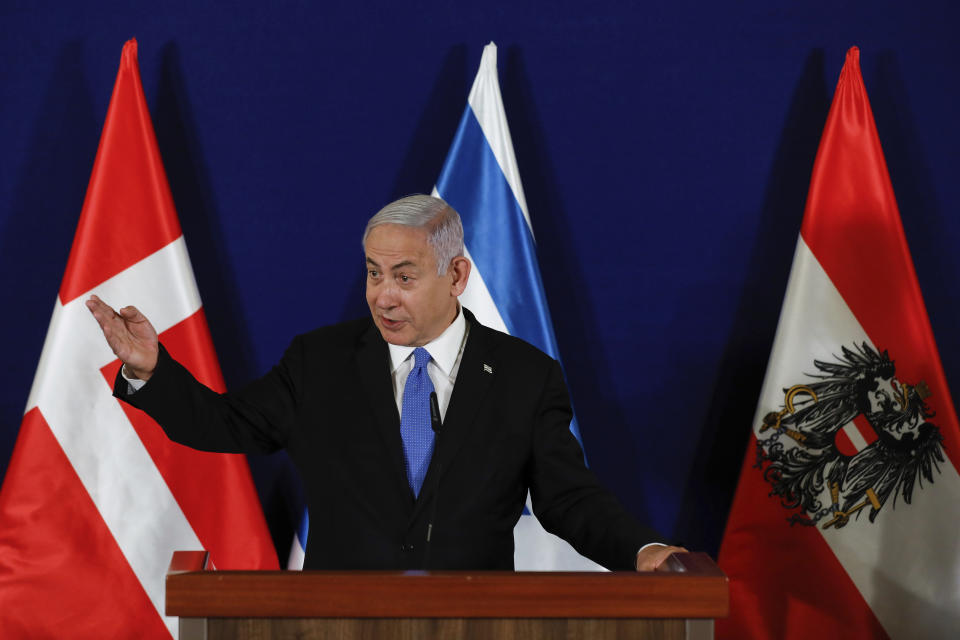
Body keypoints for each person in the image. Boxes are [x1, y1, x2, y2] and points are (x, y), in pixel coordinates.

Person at [87, 195, 683, 571]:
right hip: (339, 625)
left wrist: (642, 551)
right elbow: (221, 424)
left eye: (404, 275)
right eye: (373, 273)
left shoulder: (525, 376)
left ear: (457, 275)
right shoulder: (319, 361)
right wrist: (149, 370)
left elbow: (568, 498)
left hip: (474, 625)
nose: (382, 295)